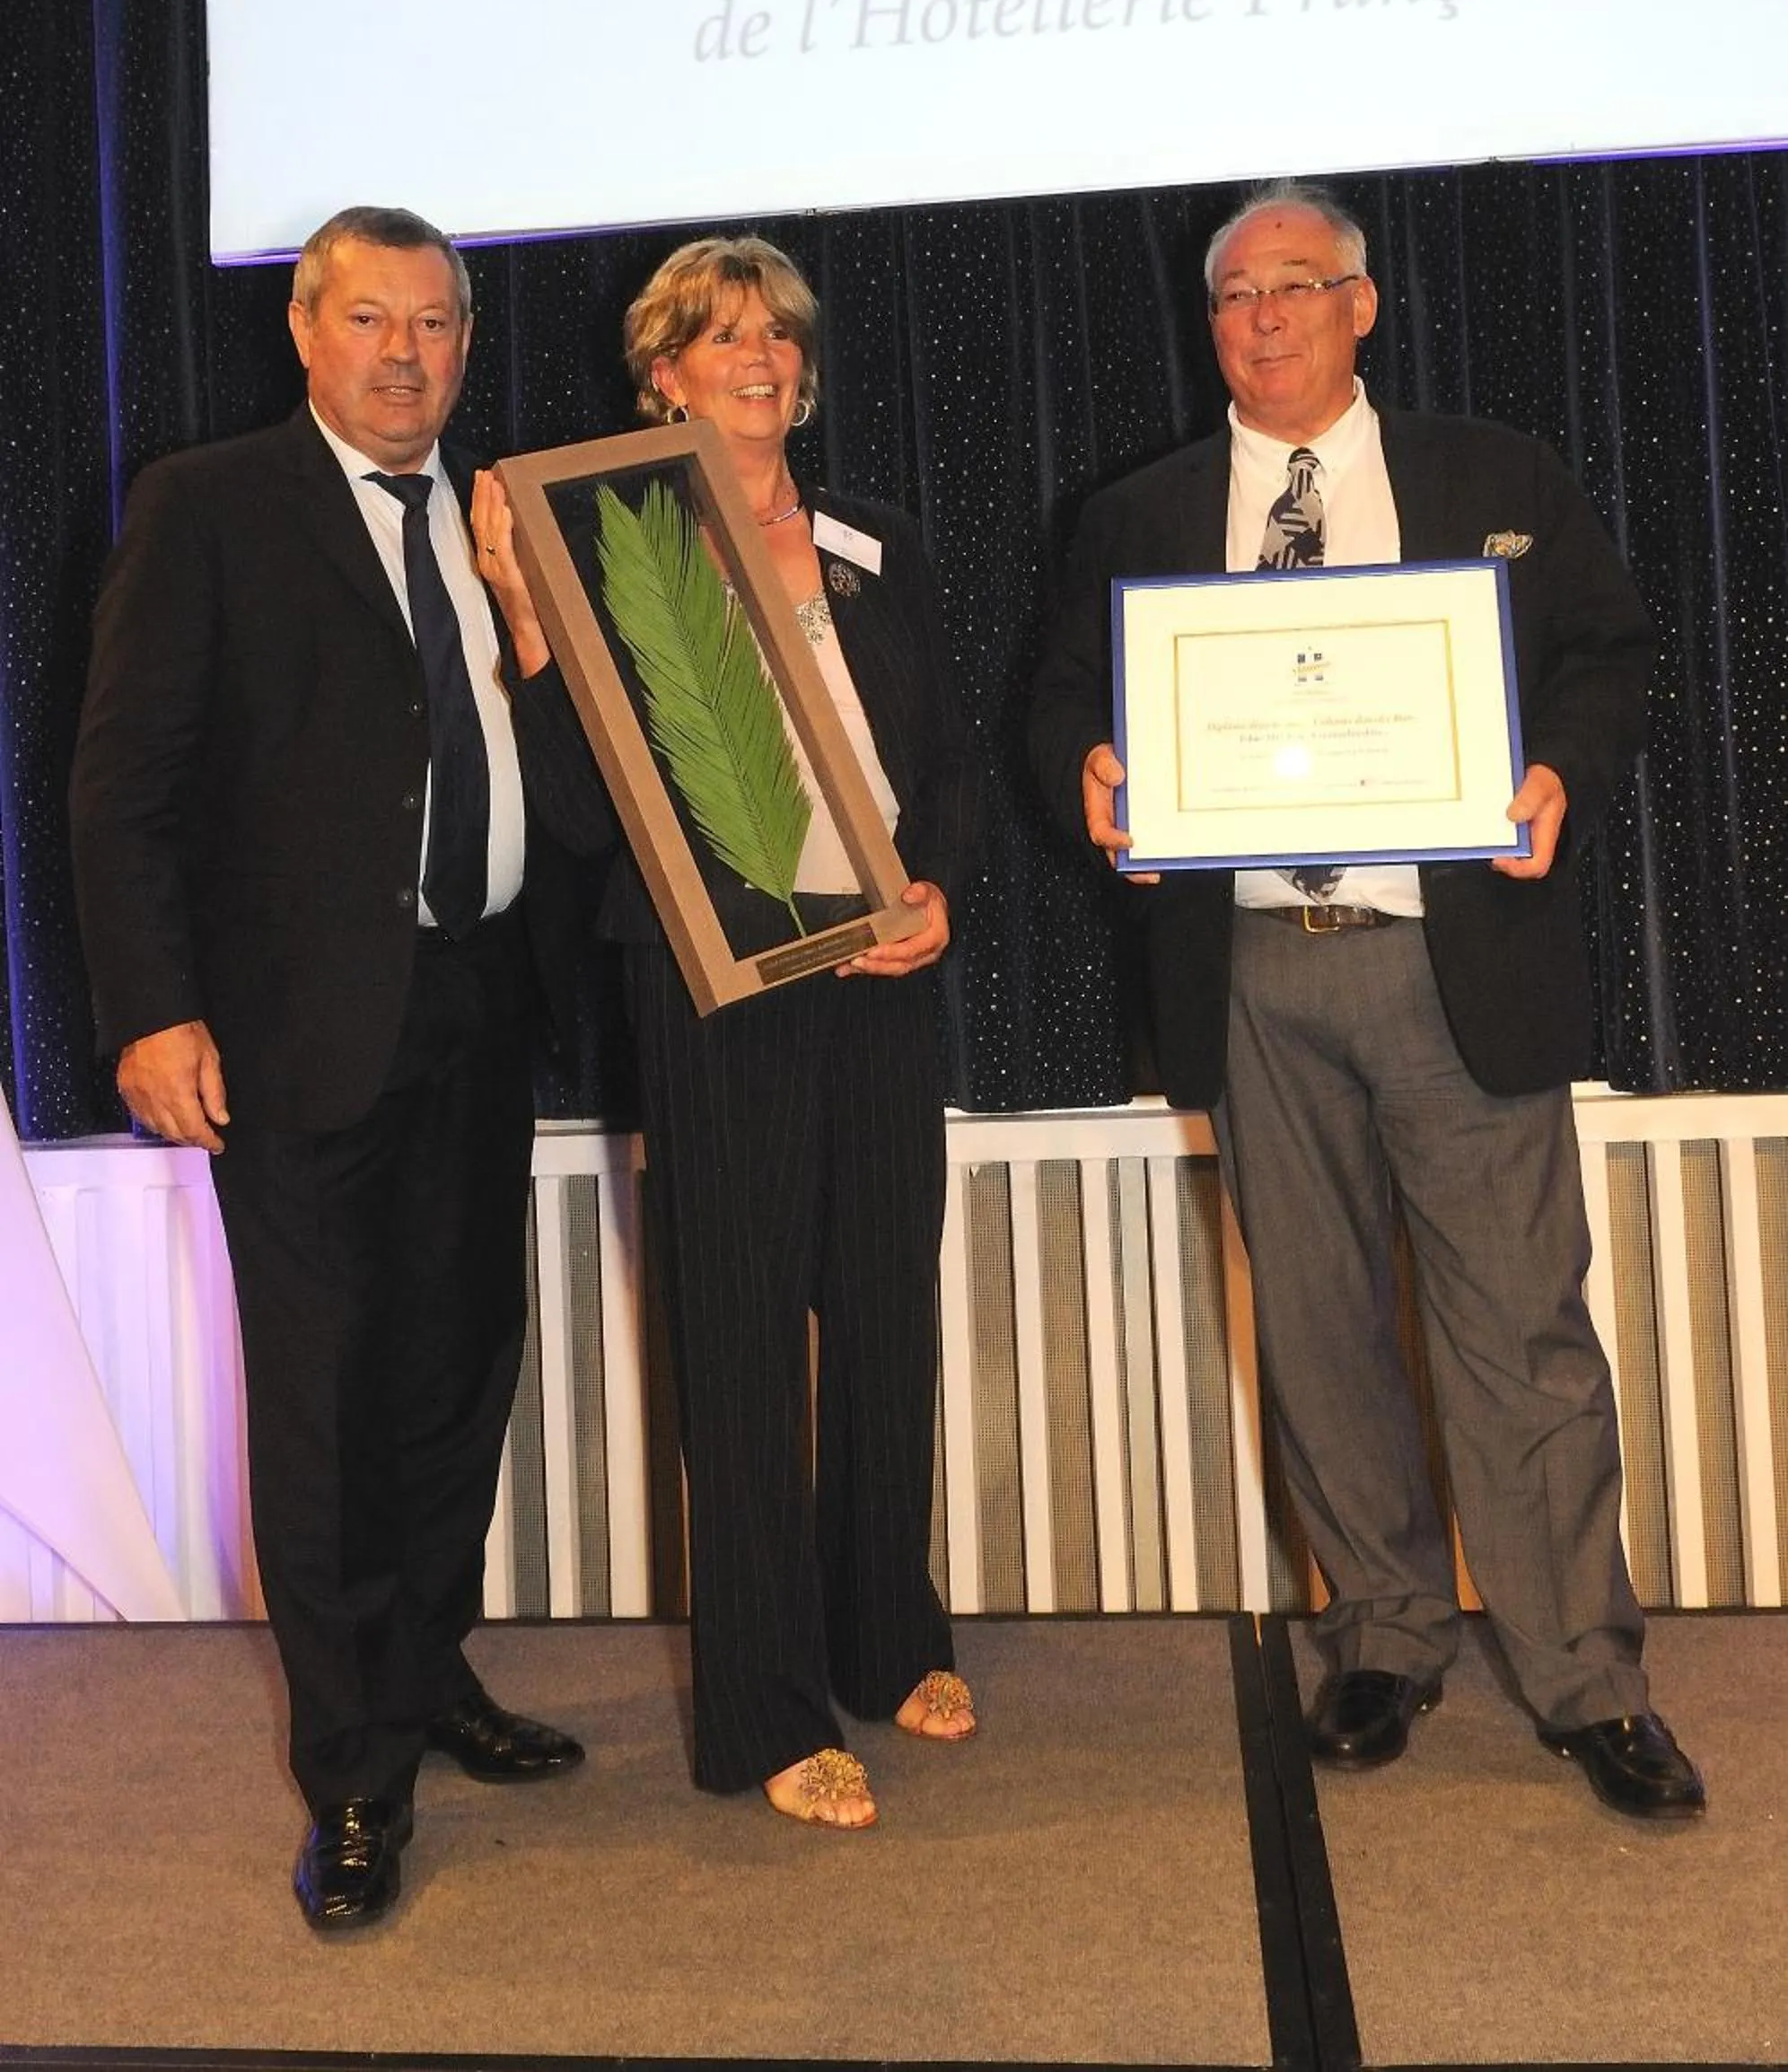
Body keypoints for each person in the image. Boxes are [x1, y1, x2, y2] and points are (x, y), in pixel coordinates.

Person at [1030, 180, 1705, 1821]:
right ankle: (1387, 1636)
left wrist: (1556, 772)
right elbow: (1056, 702)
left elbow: (1611, 654)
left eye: (1296, 284)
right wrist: (1095, 777)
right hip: (1253, 969)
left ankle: (1584, 1679)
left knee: (1523, 1332)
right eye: (1234, 295)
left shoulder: (1493, 477)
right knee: (1321, 1333)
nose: (1262, 317)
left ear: (1364, 303)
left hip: (1451, 959)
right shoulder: (1142, 512)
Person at [69, 205, 586, 1931]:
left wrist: (530, 616)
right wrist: (151, 1010)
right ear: (305, 330)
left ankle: (427, 1673)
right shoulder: (208, 506)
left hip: (479, 1011)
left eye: (435, 325)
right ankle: (352, 1782)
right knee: (325, 1412)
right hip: (295, 1038)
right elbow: (121, 784)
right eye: (369, 320)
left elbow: (559, 755)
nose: (405, 355)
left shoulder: (502, 519)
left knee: (460, 1378)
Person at [473, 233, 981, 1830]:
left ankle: (887, 1633)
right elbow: (569, 810)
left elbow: (943, 757)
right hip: (716, 989)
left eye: (776, 335)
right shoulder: (620, 551)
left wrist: (940, 889)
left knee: (887, 1313)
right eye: (718, 336)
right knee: (747, 1338)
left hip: (890, 974)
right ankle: (766, 1707)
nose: (757, 357)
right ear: (662, 377)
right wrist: (529, 619)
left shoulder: (874, 539)